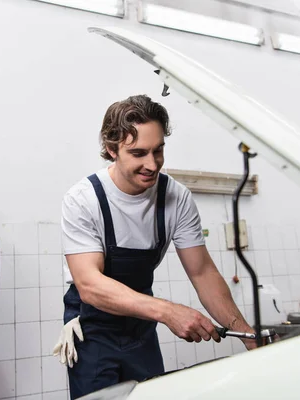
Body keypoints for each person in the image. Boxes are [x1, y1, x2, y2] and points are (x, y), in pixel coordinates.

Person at [54, 95, 257, 399]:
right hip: (93, 331)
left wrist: (248, 335)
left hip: (141, 328)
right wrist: (168, 312)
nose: (152, 164)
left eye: (158, 150)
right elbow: (90, 286)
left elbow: (202, 273)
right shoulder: (84, 199)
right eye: (138, 153)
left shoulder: (176, 198)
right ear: (111, 150)